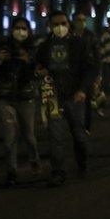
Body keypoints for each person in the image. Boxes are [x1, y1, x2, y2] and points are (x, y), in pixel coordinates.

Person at [35, 11, 96, 187]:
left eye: (62, 23)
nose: (59, 27)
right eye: (55, 24)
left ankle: (82, 163)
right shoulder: (45, 46)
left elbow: (91, 69)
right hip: (53, 96)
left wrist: (83, 90)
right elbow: (37, 65)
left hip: (75, 96)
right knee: (55, 135)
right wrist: (39, 71)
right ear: (50, 26)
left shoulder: (79, 44)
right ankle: (58, 172)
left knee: (79, 135)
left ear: (68, 24)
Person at [0, 17, 40, 186]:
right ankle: (11, 172)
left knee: (29, 135)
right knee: (10, 137)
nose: (20, 31)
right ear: (11, 30)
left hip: (26, 98)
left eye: (24, 28)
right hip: (5, 98)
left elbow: (38, 74)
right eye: (17, 28)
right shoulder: (2, 48)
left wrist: (28, 62)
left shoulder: (33, 49)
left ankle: (34, 160)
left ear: (28, 31)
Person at [71, 11, 100, 133]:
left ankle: (86, 127)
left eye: (83, 20)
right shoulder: (70, 34)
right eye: (78, 20)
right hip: (72, 72)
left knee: (86, 100)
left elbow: (97, 56)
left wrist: (98, 74)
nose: (81, 22)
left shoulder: (90, 35)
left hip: (87, 71)